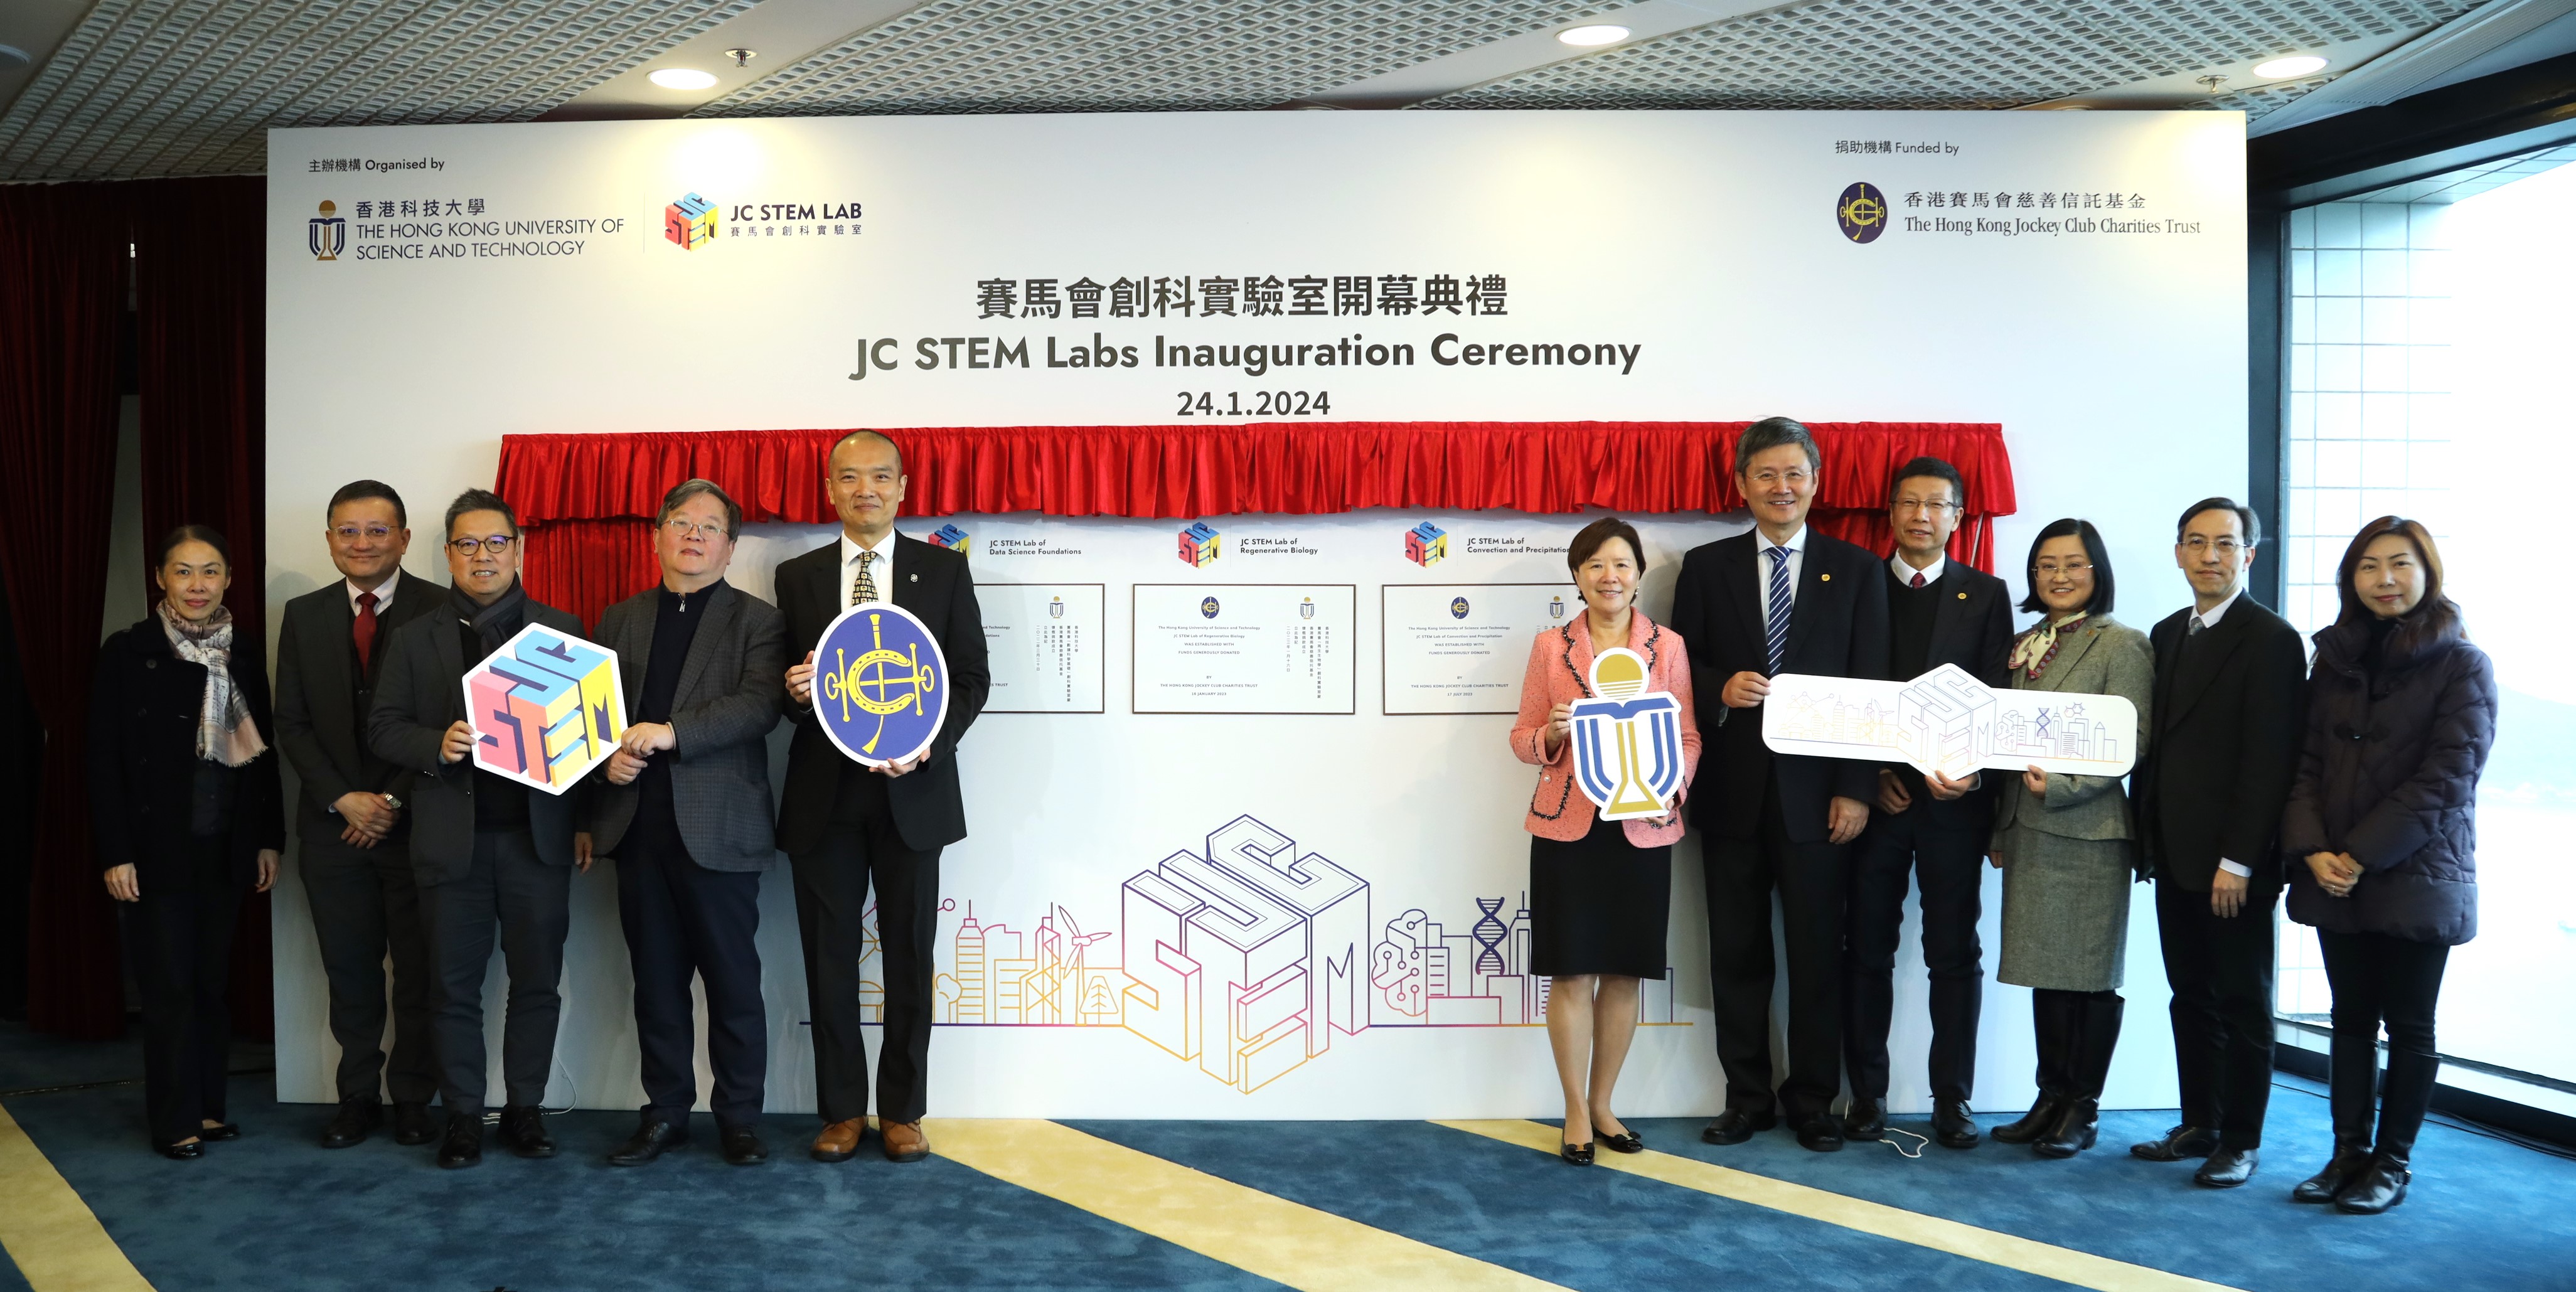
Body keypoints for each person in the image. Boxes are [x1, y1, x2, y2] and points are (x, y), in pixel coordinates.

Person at [1667, 416, 1891, 1151]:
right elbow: (1677, 668)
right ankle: (1746, 1097)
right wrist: (1717, 687)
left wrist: (1857, 789)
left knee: (1817, 953)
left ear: (1816, 482)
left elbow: (1872, 687)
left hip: (1822, 800)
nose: (1781, 486)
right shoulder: (1704, 568)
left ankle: (1814, 1100)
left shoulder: (1856, 569)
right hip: (1732, 792)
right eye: (1765, 474)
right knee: (1735, 952)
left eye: (1794, 473)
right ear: (1741, 484)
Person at [778, 430, 990, 1165]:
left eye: (878, 476)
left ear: (903, 487)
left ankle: (902, 1110)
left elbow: (970, 678)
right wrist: (796, 694)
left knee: (908, 956)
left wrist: (932, 739)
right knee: (828, 960)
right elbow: (789, 691)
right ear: (830, 490)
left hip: (914, 793)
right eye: (848, 477)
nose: (863, 488)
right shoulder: (796, 576)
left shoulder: (943, 570)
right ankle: (841, 1110)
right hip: (823, 797)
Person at [367, 489, 594, 1170]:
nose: (482, 556)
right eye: (467, 544)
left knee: (537, 984)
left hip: (537, 841)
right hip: (449, 844)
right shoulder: (413, 637)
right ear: (447, 553)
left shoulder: (559, 629)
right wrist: (438, 742)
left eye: (496, 542)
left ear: (518, 548)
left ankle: (525, 1107)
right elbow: (382, 728)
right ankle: (463, 1115)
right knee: (451, 988)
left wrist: (585, 824)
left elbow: (587, 742)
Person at [2280, 517, 2493, 1214]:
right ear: (2352, 580)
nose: (2384, 580)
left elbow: (2447, 779)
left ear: (2427, 572)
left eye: (2399, 565)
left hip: (2415, 873)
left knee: (2408, 1025)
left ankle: (2391, 1164)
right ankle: (2345, 1153)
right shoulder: (2334, 661)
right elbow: (2304, 761)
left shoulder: (2464, 664)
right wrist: (2313, 849)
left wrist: (2358, 854)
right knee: (2347, 1019)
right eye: (2368, 567)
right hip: (2332, 869)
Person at [589, 479, 786, 1168]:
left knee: (734, 982)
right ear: (657, 536)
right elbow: (597, 717)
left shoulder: (756, 621)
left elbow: (759, 705)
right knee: (656, 983)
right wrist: (604, 761)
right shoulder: (619, 618)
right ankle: (665, 1112)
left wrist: (670, 732)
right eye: (681, 522)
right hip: (636, 827)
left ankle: (739, 1117)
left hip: (719, 830)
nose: (694, 535)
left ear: (730, 548)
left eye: (710, 526)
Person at [1509, 517, 1701, 1166]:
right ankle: (1571, 1107)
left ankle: (1603, 1102)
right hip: (1569, 824)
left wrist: (1671, 786)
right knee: (1571, 970)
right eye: (1594, 565)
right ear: (1576, 575)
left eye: (1620, 564)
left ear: (1639, 574)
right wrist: (1552, 737)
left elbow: (1688, 737)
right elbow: (1522, 737)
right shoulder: (1548, 646)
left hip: (1643, 827)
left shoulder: (1666, 646)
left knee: (1623, 971)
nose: (1608, 576)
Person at [88, 525, 283, 1158]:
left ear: (228, 579)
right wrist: (116, 850)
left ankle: (208, 1106)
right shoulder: (128, 651)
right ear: (160, 579)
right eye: (183, 571)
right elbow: (103, 760)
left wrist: (266, 839)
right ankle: (175, 1119)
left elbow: (263, 759)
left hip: (225, 844)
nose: (197, 585)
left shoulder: (244, 653)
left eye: (210, 571)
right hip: (155, 850)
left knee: (208, 984)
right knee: (168, 987)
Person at [2130, 498, 2307, 1188]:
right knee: (2189, 996)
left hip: (2233, 863)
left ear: (2249, 556)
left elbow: (2269, 761)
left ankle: (2240, 1138)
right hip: (2174, 852)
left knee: (2242, 1001)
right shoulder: (2169, 632)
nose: (2210, 556)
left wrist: (2238, 858)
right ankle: (2198, 1120)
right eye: (2196, 543)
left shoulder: (2270, 639)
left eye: (2225, 544)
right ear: (2177, 552)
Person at [1842, 457, 2013, 1150]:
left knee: (1954, 952)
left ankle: (1953, 1097)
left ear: (1957, 516)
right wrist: (1869, 772)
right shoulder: (1856, 583)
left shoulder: (1987, 592)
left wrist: (1972, 775)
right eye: (1908, 503)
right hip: (1876, 803)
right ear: (1890, 512)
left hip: (1953, 803)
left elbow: (1998, 694)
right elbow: (1842, 687)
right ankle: (1867, 1095)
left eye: (1935, 505)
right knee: (1865, 949)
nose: (1920, 515)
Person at [273, 481, 446, 1150]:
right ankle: (355, 1096)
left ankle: (412, 1097)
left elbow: (447, 721)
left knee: (419, 971)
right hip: (331, 826)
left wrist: (391, 800)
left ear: (403, 538)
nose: (363, 542)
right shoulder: (304, 613)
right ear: (329, 540)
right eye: (349, 530)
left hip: (418, 823)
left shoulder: (439, 608)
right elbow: (291, 721)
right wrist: (343, 798)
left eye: (378, 530)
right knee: (349, 971)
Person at [1984, 520, 2153, 1158]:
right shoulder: (2025, 644)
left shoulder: (2122, 644)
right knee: (2046, 972)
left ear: (2097, 572)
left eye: (2073, 564)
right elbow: (2006, 742)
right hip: (2029, 831)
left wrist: (2057, 785)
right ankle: (2048, 1097)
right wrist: (2003, 823)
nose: (2058, 576)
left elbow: (2130, 742)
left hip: (2088, 831)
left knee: (2088, 976)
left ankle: (2081, 1107)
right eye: (2046, 565)